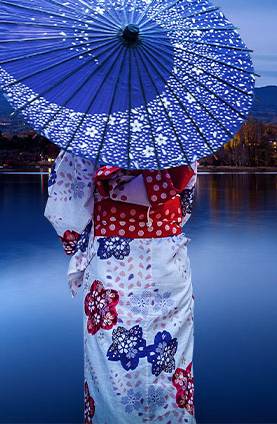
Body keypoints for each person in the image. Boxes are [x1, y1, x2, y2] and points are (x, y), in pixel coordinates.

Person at [45, 151, 197, 423]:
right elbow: (184, 202)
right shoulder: (177, 134)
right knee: (169, 366)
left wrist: (78, 240)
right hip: (168, 264)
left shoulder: (92, 133)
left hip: (112, 268)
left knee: (112, 375)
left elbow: (66, 208)